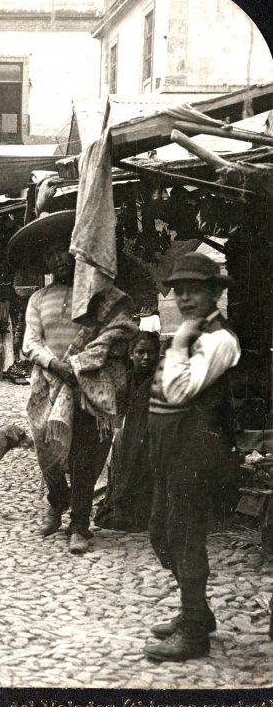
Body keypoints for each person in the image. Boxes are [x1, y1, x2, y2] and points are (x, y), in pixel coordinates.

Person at [144, 252, 240, 662]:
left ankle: (195, 630)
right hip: (173, 448)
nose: (184, 298)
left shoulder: (218, 339)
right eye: (178, 290)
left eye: (193, 290)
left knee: (184, 535)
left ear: (215, 293)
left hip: (199, 451)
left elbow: (181, 391)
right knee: (160, 532)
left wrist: (179, 343)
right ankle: (195, 609)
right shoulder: (192, 330)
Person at [21, 212, 136, 554]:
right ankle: (57, 501)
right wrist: (55, 363)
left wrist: (84, 363)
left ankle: (80, 524)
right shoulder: (38, 298)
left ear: (76, 255)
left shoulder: (99, 297)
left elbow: (120, 330)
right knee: (49, 453)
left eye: (62, 252)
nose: (56, 259)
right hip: (48, 385)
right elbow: (30, 341)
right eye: (49, 254)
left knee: (85, 455)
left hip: (86, 386)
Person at [94, 331, 161, 532]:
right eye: (140, 352)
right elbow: (117, 413)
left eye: (151, 353)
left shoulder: (162, 379)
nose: (146, 357)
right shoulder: (126, 380)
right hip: (130, 436)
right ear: (131, 354)